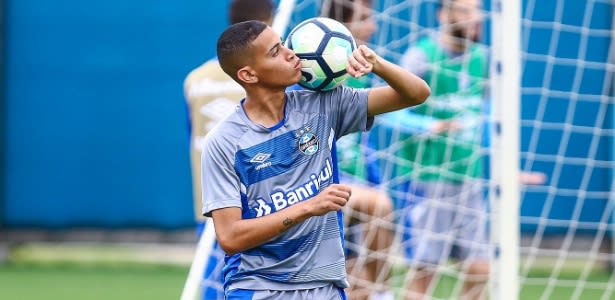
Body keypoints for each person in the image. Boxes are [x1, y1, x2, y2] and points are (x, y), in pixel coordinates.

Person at [201, 20, 430, 300]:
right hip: (260, 288)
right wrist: (308, 207)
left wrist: (376, 63)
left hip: (325, 287)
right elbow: (231, 237)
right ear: (249, 75)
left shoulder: (323, 105)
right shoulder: (224, 142)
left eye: (284, 43)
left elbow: (417, 93)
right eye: (275, 52)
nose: (291, 54)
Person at [393, 0, 489, 299]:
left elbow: (486, 115)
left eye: (476, 9)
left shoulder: (482, 59)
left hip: (468, 179)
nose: (474, 17)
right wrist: (431, 127)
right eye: (464, 10)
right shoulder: (421, 56)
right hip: (426, 179)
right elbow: (389, 113)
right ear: (442, 15)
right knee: (425, 271)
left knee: (481, 271)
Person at [183, 1, 275, 299]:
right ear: (268, 22)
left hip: (210, 200)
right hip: (261, 202)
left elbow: (193, 138)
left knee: (216, 282)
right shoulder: (265, 77)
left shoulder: (194, 79)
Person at [322, 1, 395, 300]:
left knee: (357, 286)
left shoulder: (363, 73)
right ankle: (385, 294)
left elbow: (364, 146)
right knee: (380, 206)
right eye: (364, 18)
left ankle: (379, 292)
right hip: (324, 187)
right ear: (341, 29)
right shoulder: (317, 73)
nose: (373, 26)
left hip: (355, 186)